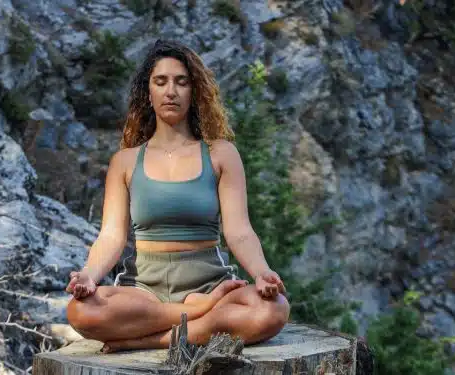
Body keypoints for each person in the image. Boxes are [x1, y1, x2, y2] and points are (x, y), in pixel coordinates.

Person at [65, 39, 290, 353]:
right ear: (149, 92)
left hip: (210, 283)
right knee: (80, 310)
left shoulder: (221, 154)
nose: (171, 91)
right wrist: (89, 276)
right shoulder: (125, 162)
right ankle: (196, 317)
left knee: (274, 309)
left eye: (181, 82)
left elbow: (239, 231)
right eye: (161, 81)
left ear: (194, 91)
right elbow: (112, 236)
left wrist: (263, 272)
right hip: (144, 291)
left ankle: (146, 340)